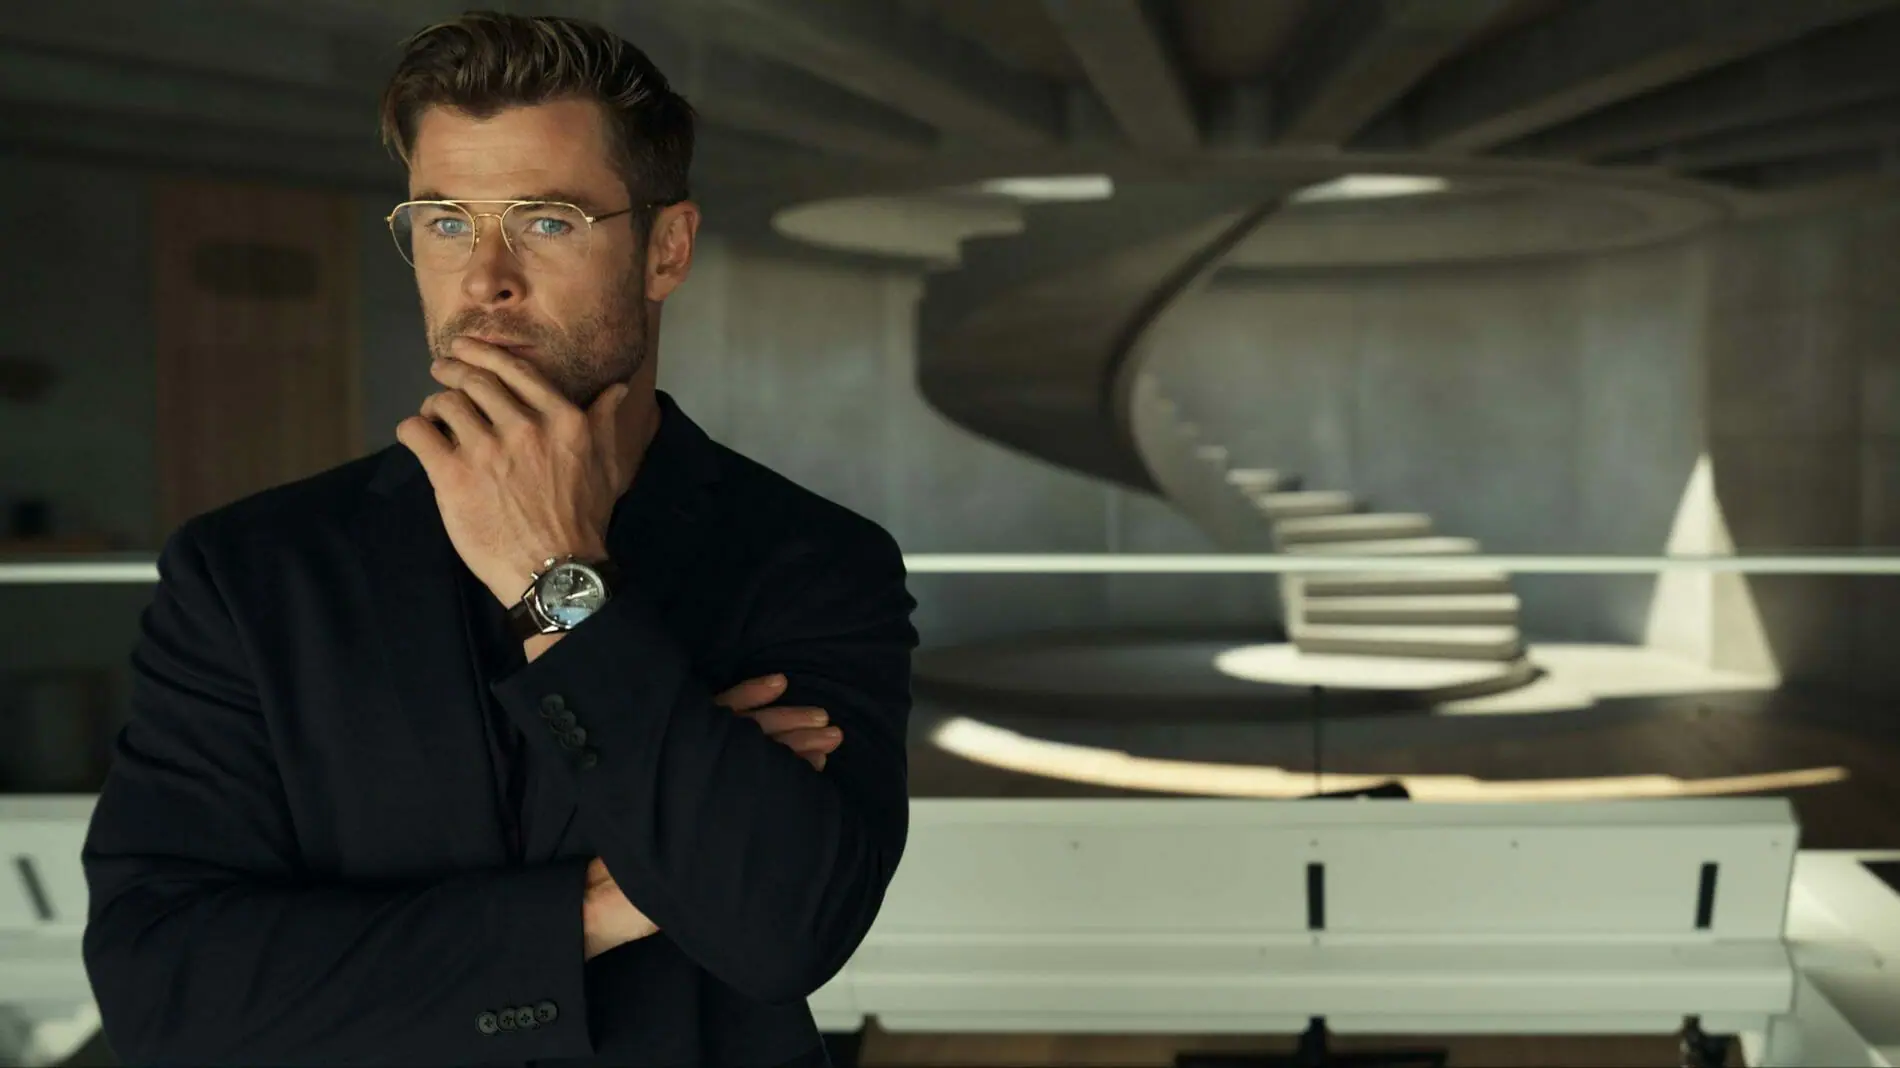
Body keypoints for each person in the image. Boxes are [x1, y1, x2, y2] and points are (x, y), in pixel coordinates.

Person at [79, 11, 918, 1067]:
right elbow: (165, 992)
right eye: (445, 221)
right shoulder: (249, 574)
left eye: (547, 221)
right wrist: (597, 907)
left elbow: (782, 929)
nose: (483, 278)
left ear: (665, 249)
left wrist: (550, 571)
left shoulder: (813, 560)